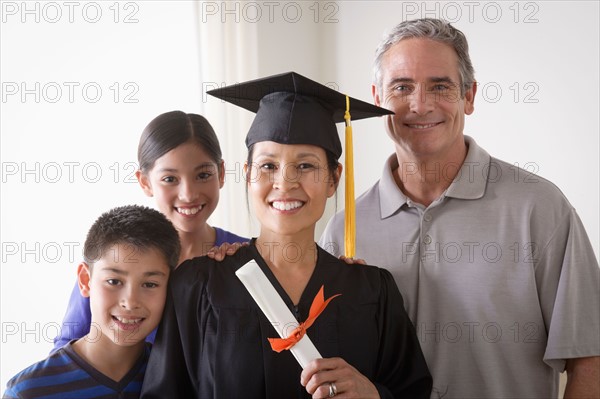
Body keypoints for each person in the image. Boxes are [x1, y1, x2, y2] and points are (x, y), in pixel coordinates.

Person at [319, 18, 600, 398]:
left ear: (468, 96)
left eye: (440, 86)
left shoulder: (539, 209)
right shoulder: (344, 230)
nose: (420, 105)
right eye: (402, 87)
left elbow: (589, 360)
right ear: (378, 98)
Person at [141, 72, 432, 398]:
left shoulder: (373, 292)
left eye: (306, 166)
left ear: (334, 179)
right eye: (268, 166)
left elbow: (413, 390)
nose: (285, 183)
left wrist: (374, 395)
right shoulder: (198, 286)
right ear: (248, 175)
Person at [52, 111, 248, 351]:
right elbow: (66, 350)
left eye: (203, 175)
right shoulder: (114, 257)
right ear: (145, 182)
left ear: (221, 174)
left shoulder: (244, 257)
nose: (188, 194)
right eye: (169, 179)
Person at [3, 205, 181, 398]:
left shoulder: (179, 381)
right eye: (114, 281)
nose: (130, 302)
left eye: (150, 284)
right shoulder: (28, 392)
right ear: (85, 280)